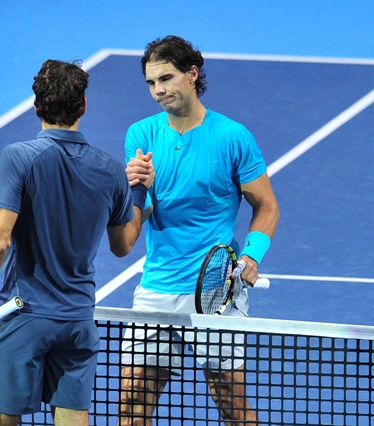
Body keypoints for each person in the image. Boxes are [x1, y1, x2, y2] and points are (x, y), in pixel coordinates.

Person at [0, 59, 154, 426]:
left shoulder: (19, 158)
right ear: (83, 105)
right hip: (78, 323)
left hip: (24, 316)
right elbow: (124, 245)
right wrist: (139, 191)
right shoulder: (111, 169)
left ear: (36, 106)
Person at [118, 36, 280, 426]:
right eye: (151, 83)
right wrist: (136, 192)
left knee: (231, 404)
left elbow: (267, 206)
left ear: (192, 75)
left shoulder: (232, 137)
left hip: (214, 292)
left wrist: (251, 256)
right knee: (129, 404)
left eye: (167, 78)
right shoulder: (141, 136)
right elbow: (137, 221)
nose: (158, 90)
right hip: (157, 287)